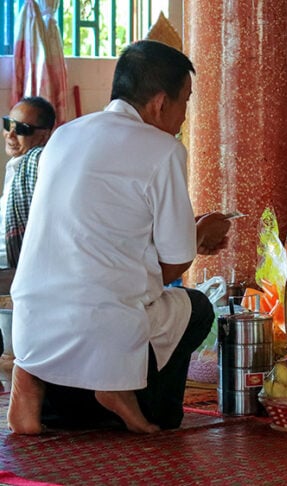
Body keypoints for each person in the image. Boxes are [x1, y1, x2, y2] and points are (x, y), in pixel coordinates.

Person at [7, 40, 232, 435]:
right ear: (161, 103)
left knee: (85, 292)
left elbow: (97, 231)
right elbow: (173, 264)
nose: (184, 116)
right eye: (185, 102)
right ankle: (123, 392)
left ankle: (30, 386)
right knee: (197, 308)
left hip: (32, 323)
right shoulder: (163, 149)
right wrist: (199, 234)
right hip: (102, 327)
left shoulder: (64, 136)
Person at [0, 96, 55, 293]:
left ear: (44, 136)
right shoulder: (17, 166)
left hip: (16, 273)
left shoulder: (39, 162)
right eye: (8, 124)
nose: (10, 135)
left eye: (22, 129)